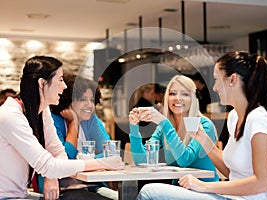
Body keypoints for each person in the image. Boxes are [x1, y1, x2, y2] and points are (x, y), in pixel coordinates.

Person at [137, 51, 267, 200]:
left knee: (149, 191)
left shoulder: (259, 119)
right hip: (231, 198)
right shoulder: (234, 117)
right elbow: (231, 173)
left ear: (232, 79)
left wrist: (203, 186)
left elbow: (261, 183)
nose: (214, 88)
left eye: (216, 79)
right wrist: (202, 138)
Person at [0, 56, 124, 200]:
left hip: (21, 195)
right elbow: (49, 165)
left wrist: (52, 172)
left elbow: (59, 153)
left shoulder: (42, 111)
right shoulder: (10, 116)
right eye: (60, 80)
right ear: (42, 84)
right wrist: (101, 163)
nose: (64, 86)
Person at [35, 73, 115, 198]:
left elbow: (110, 152)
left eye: (92, 100)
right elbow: (62, 162)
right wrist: (73, 123)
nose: (90, 105)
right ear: (68, 100)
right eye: (83, 99)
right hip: (60, 189)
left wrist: (81, 161)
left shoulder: (92, 120)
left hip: (92, 186)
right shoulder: (52, 121)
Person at [129, 75, 220, 185]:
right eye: (172, 94)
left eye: (185, 94)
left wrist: (164, 123)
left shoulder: (204, 125)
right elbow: (141, 161)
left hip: (204, 190)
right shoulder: (163, 127)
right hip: (178, 189)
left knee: (148, 192)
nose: (177, 98)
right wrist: (134, 127)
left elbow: (184, 160)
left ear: (193, 99)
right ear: (167, 98)